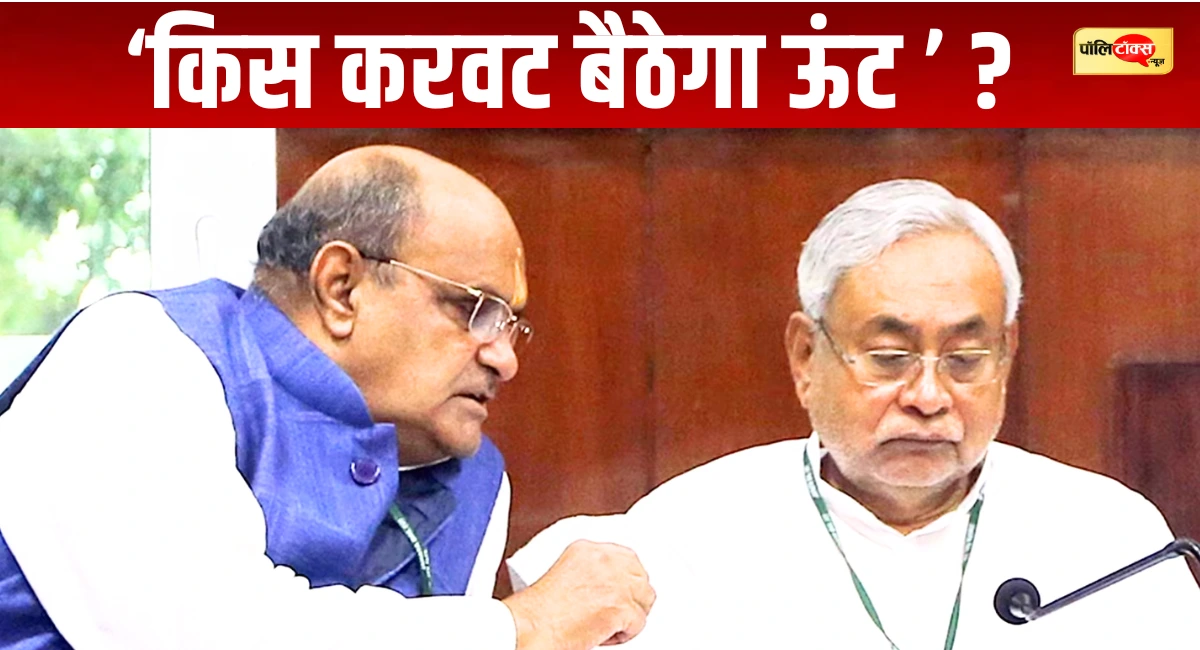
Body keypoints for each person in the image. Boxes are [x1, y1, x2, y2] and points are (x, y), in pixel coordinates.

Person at [0, 145, 653, 650]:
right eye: (473, 309)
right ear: (341, 287)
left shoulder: (473, 479)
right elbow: (212, 635)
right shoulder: (140, 353)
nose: (505, 359)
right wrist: (523, 626)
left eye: (511, 326)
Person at [507, 179, 1200, 649]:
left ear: (1007, 355)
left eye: (965, 359)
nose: (928, 397)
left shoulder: (1109, 539)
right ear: (806, 356)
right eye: (890, 357)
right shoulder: (685, 538)